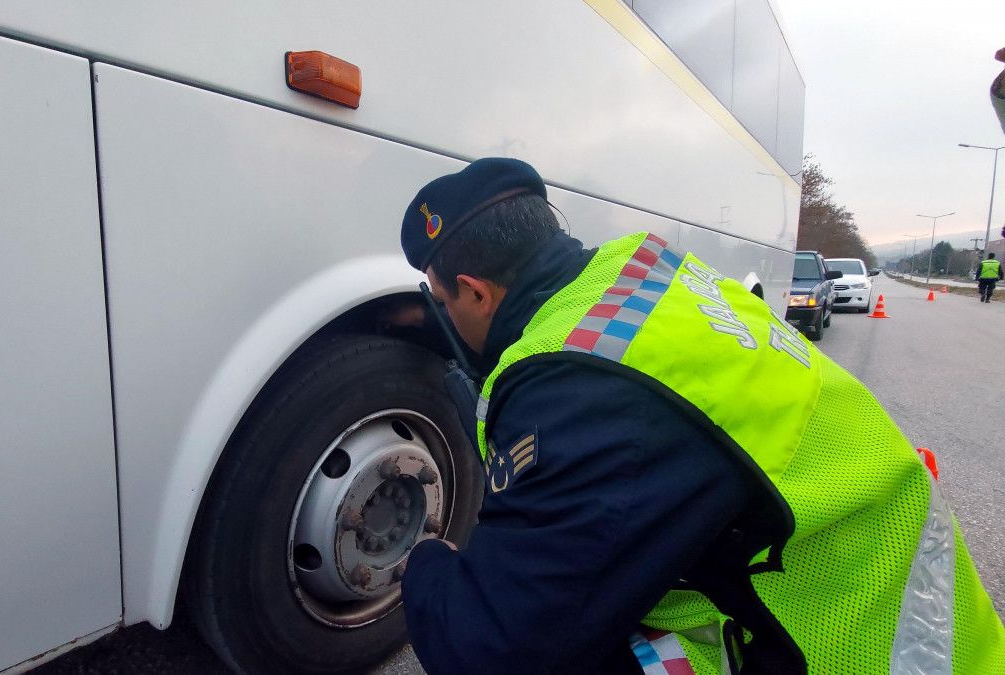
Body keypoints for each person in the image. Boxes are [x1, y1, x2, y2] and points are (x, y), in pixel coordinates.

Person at [396, 157, 1005, 674]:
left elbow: (493, 648)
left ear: (476, 291)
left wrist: (424, 556)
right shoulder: (645, 275)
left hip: (868, 648)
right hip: (910, 600)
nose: (446, 316)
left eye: (445, 300)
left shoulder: (577, 387)